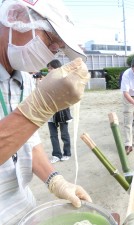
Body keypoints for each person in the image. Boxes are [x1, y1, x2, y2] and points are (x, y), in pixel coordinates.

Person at [0, 1, 92, 224]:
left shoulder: (26, 81)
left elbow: (28, 143)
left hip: (23, 209)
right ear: (15, 16)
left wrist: (55, 180)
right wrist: (39, 107)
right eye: (51, 40)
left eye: (58, 48)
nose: (53, 52)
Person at [47, 60, 72, 163]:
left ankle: (67, 153)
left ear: (57, 68)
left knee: (64, 134)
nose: (49, 70)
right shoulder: (47, 80)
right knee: (53, 135)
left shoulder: (64, 79)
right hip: (50, 112)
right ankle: (56, 154)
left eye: (51, 68)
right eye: (49, 68)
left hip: (62, 112)